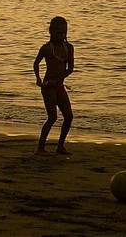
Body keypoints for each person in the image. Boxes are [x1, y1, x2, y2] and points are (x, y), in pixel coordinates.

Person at [33, 16, 74, 156]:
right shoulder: (46, 48)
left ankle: (60, 146)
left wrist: (59, 80)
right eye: (58, 33)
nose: (61, 36)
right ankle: (40, 148)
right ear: (50, 31)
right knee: (52, 117)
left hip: (59, 85)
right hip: (48, 87)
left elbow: (70, 68)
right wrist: (38, 78)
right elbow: (36, 63)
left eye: (63, 33)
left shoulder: (68, 47)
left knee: (69, 116)